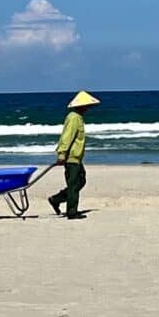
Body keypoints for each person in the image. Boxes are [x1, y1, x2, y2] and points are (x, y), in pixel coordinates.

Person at [48, 90, 100, 220]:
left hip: (76, 157)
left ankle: (56, 199)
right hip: (71, 157)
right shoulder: (73, 118)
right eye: (87, 105)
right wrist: (62, 154)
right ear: (81, 105)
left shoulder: (78, 117)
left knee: (80, 181)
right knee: (73, 184)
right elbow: (67, 137)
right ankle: (72, 212)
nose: (88, 108)